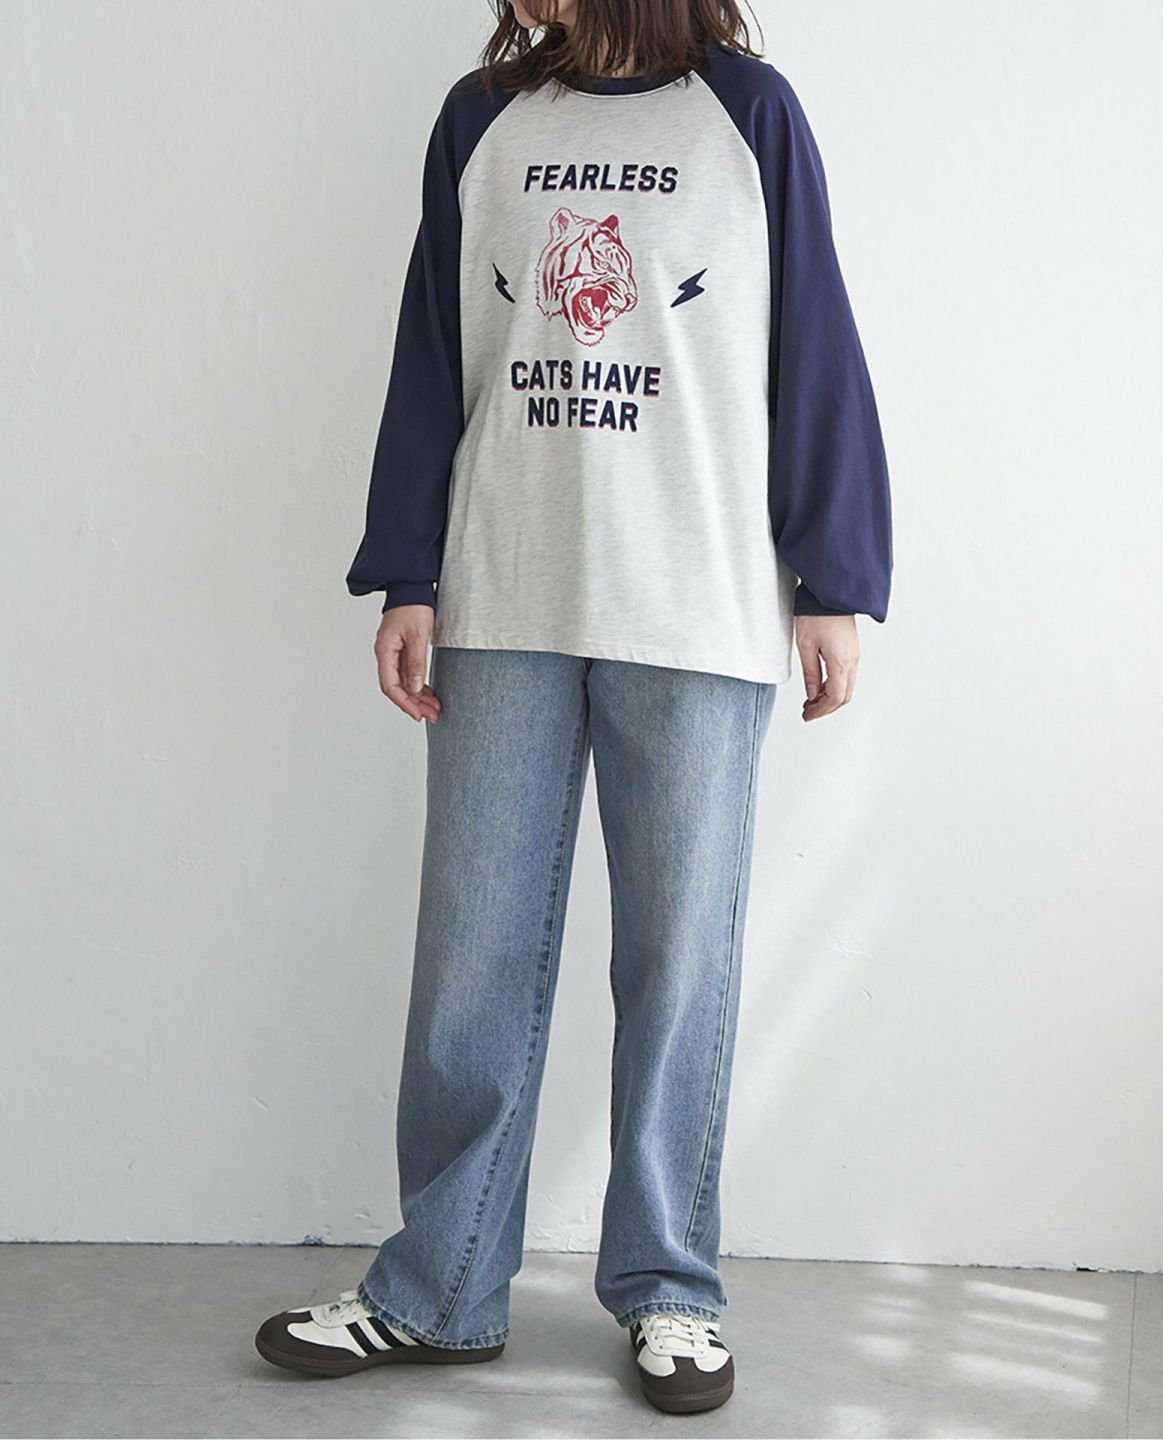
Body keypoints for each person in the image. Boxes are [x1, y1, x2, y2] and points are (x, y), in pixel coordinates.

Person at [254, 0, 891, 1416]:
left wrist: (834, 578)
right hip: (504, 595)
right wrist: (407, 570)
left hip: (696, 601)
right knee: (470, 961)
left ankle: (671, 1289)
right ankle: (438, 1288)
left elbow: (813, 344)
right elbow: (432, 355)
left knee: (679, 966)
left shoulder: (749, 117)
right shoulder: (483, 121)